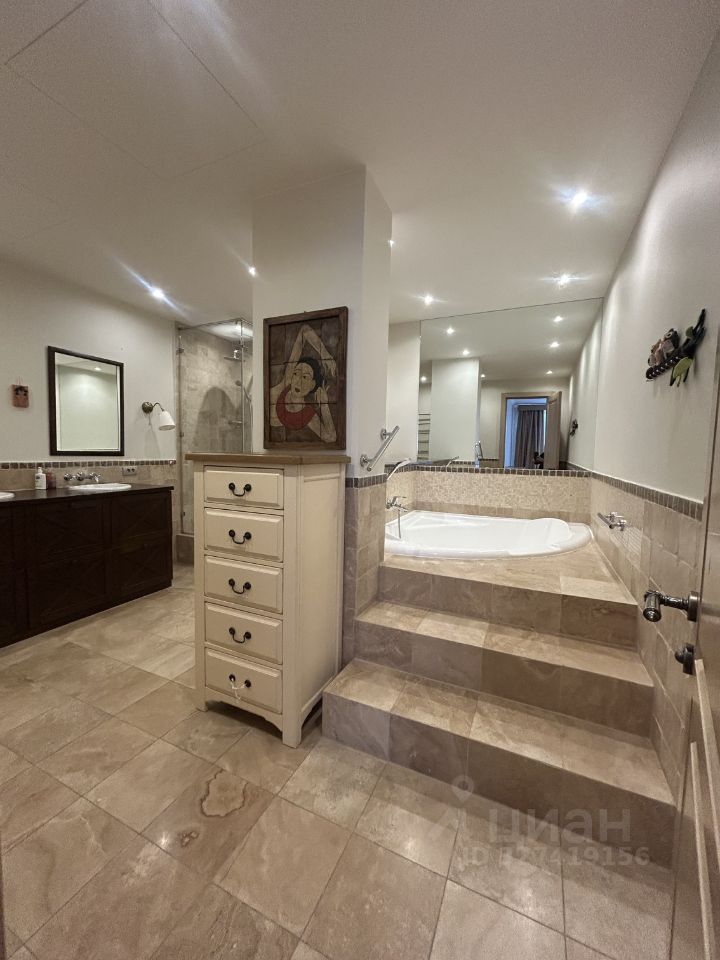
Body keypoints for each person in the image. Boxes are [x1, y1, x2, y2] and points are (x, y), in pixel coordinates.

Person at [270, 323, 337, 442]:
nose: (298, 381)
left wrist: (324, 406)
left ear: (312, 385)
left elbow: (330, 437)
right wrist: (324, 354)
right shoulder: (287, 382)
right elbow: (304, 330)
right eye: (296, 373)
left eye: (305, 377)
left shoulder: (306, 414)